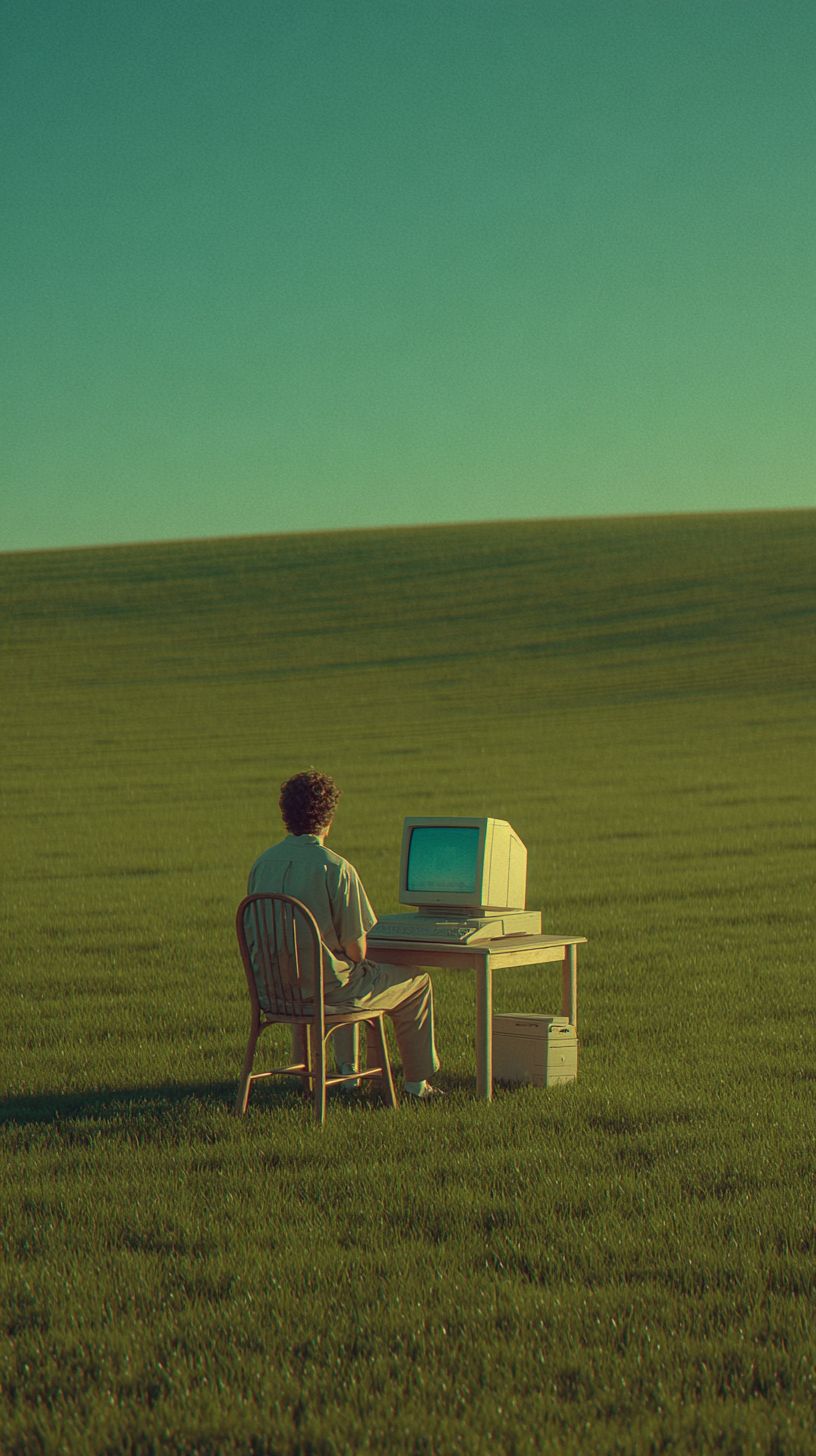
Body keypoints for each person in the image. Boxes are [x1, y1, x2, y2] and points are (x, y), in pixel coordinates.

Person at [247, 769, 442, 1100]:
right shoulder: (334, 868)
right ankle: (415, 1085)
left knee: (336, 969)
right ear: (328, 818)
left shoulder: (262, 864)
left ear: (286, 815)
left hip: (276, 992)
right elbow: (357, 950)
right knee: (415, 983)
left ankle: (346, 1074)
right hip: (327, 993)